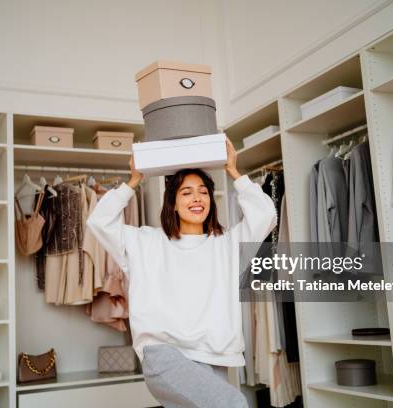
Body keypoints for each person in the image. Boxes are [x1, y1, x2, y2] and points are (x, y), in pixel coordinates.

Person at [87, 139, 277, 407]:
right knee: (234, 405)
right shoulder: (145, 242)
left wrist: (234, 171)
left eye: (203, 192)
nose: (197, 198)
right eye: (186, 193)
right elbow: (99, 221)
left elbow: (266, 214)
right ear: (173, 203)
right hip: (165, 355)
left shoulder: (228, 245)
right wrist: (133, 181)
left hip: (215, 356)